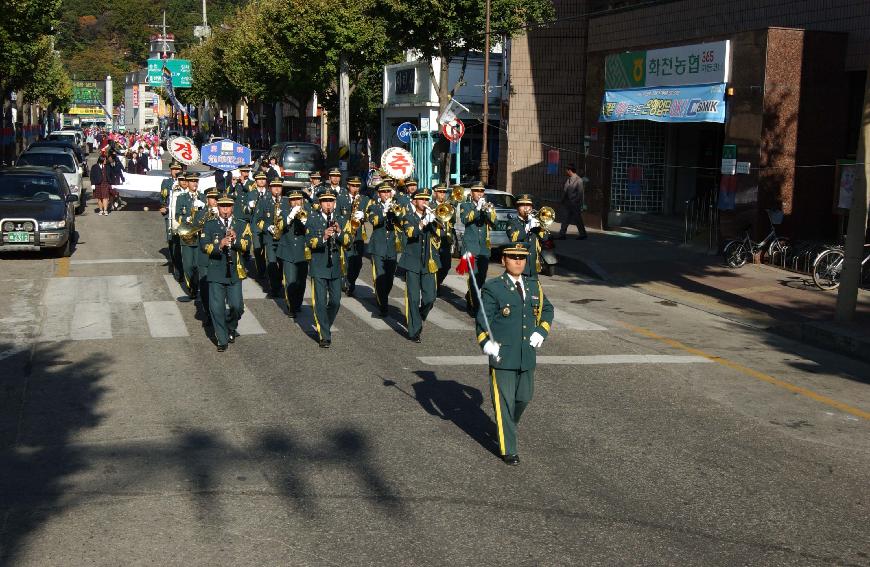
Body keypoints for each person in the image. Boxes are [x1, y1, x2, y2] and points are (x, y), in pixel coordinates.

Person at [476, 243, 554, 465]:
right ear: (503, 261)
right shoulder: (493, 288)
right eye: (513, 257)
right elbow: (483, 319)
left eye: (522, 257)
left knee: (524, 398)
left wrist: (541, 330)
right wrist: (486, 343)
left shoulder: (533, 285)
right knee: (504, 403)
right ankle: (508, 449)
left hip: (526, 354)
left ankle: (506, 425)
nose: (518, 261)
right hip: (503, 354)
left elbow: (547, 309)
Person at [201, 195, 253, 352]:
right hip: (216, 270)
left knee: (237, 306)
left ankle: (231, 326)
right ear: (218, 207)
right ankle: (222, 339)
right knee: (216, 308)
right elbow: (204, 246)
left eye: (228, 206)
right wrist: (220, 245)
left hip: (235, 271)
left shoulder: (242, 224)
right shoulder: (209, 225)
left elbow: (247, 245)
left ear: (232, 208)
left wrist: (235, 240)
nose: (225, 209)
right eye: (222, 206)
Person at [306, 190, 351, 347]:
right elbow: (309, 241)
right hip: (318, 266)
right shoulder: (312, 218)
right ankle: (325, 335)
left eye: (330, 201)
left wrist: (338, 232)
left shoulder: (341, 219)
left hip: (335, 267)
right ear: (319, 203)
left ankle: (324, 324)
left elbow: (348, 241)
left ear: (335, 203)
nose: (328, 204)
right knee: (319, 301)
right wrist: (323, 237)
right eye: (325, 201)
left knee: (335, 301)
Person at [399, 190, 441, 342]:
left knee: (430, 297)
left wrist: (436, 220)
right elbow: (411, 233)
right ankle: (414, 331)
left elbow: (442, 234)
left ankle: (421, 314)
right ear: (414, 202)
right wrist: (423, 223)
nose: (424, 202)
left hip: (429, 262)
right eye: (421, 199)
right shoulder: (407, 218)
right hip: (412, 263)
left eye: (426, 199)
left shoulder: (433, 217)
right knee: (413, 298)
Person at [460, 182, 497, 314]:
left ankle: (470, 294)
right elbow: (465, 219)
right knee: (473, 277)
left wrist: (487, 211)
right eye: (477, 191)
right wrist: (477, 209)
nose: (479, 193)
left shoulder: (488, 206)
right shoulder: (465, 205)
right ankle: (474, 306)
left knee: (481, 277)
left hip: (484, 249)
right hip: (470, 247)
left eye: (481, 191)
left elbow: (495, 223)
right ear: (471, 193)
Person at [366, 182, 401, 316]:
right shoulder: (374, 207)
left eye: (388, 192)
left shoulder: (396, 206)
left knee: (390, 278)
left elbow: (403, 221)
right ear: (379, 194)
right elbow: (374, 221)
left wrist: (395, 211)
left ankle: (382, 297)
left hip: (392, 246)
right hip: (378, 246)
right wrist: (384, 211)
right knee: (380, 277)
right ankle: (383, 306)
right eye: (384, 192)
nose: (386, 194)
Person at [276, 190, 311, 319]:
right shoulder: (284, 212)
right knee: (290, 281)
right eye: (293, 200)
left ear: (302, 200)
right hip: (288, 251)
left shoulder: (308, 212)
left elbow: (313, 229)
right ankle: (291, 306)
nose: (296, 202)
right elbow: (278, 228)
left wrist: (305, 221)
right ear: (289, 201)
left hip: (303, 251)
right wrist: (290, 217)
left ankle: (298, 303)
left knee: (301, 282)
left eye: (298, 199)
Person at [253, 179, 286, 297]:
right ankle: (275, 287)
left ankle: (280, 280)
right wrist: (268, 227)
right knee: (271, 263)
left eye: (279, 187)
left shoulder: (286, 201)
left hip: (284, 239)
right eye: (274, 186)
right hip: (270, 238)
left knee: (282, 263)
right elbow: (258, 220)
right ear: (270, 188)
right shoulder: (263, 201)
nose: (277, 189)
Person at [175, 173, 206, 298]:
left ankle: (197, 286)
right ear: (187, 183)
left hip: (199, 236)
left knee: (198, 264)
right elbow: (177, 215)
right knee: (188, 265)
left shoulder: (203, 197)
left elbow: (208, 214)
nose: (194, 183)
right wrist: (185, 218)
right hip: (187, 236)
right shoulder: (182, 198)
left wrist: (203, 208)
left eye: (196, 181)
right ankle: (191, 288)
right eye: (192, 181)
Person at [337, 176, 368, 296]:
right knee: (346, 260)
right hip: (346, 234)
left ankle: (351, 281)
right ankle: (346, 283)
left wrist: (363, 215)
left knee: (358, 263)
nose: (355, 188)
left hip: (359, 235)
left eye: (357, 186)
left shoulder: (364, 199)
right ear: (348, 186)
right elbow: (337, 214)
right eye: (353, 185)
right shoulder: (340, 198)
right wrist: (346, 225)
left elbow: (371, 213)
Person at [194, 188, 220, 326]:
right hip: (204, 255)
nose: (215, 201)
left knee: (218, 287)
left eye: (217, 198)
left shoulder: (224, 212)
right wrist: (208, 216)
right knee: (204, 286)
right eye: (212, 198)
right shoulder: (201, 213)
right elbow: (195, 227)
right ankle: (208, 312)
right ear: (207, 199)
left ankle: (216, 312)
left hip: (219, 256)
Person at [506, 194, 546, 280]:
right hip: (519, 266)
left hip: (533, 266)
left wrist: (540, 226)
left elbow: (545, 238)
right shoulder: (512, 222)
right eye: (522, 205)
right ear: (517, 208)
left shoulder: (535, 222)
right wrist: (527, 229)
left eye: (528, 205)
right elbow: (513, 238)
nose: (526, 208)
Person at [241, 172, 270, 278]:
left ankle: (271, 270)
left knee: (269, 250)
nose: (262, 181)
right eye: (259, 179)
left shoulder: (270, 193)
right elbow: (244, 210)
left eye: (263, 179)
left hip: (268, 226)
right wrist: (249, 207)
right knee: (258, 250)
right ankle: (261, 271)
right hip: (256, 226)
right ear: (256, 181)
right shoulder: (251, 193)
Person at [161, 163, 185, 277]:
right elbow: (163, 198)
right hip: (170, 215)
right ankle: (174, 262)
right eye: (173, 169)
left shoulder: (185, 181)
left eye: (178, 169)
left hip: (183, 215)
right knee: (171, 240)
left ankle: (182, 264)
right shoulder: (166, 182)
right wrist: (163, 207)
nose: (175, 171)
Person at [431, 183, 455, 291]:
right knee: (435, 265)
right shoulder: (431, 206)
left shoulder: (448, 206)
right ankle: (433, 286)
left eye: (444, 192)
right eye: (440, 192)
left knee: (446, 266)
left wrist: (452, 211)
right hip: (433, 240)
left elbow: (452, 221)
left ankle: (437, 283)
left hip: (445, 240)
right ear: (435, 193)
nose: (442, 194)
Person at [557, 165, 587, 240]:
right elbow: (565, 191)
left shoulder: (579, 180)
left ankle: (583, 234)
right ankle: (562, 234)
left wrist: (575, 202)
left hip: (575, 204)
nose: (566, 172)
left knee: (578, 219)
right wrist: (562, 200)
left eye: (567, 170)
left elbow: (580, 193)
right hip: (567, 203)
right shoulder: (568, 179)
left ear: (570, 170)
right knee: (565, 219)